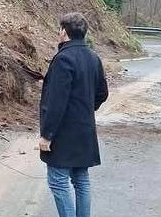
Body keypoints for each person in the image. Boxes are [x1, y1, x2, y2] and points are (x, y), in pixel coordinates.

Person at [39, 12, 109, 217]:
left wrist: (46, 135)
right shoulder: (93, 57)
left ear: (64, 32)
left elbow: (56, 102)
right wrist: (86, 109)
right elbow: (103, 93)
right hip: (85, 129)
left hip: (63, 132)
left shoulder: (63, 59)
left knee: (58, 181)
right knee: (81, 179)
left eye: (59, 29)